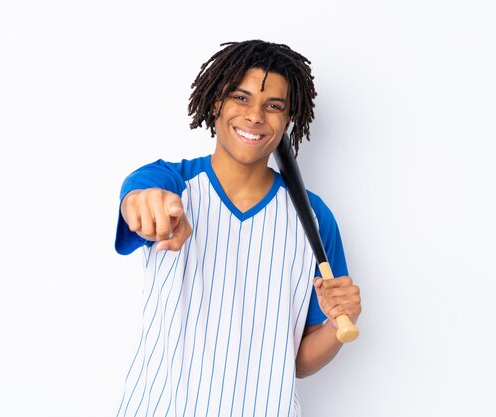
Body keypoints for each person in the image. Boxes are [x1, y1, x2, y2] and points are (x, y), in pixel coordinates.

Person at [113, 40, 361, 417]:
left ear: (288, 119)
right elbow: (140, 198)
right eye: (240, 98)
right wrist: (148, 204)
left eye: (273, 105)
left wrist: (335, 325)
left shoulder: (314, 217)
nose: (255, 115)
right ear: (215, 103)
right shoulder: (170, 182)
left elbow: (296, 363)